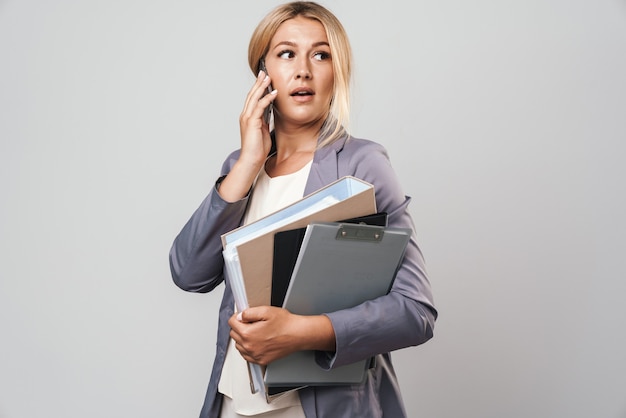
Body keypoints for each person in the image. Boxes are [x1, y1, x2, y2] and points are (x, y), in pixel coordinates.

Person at [169, 2, 437, 417]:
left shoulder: (362, 166)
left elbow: (414, 311)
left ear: (337, 72)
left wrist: (301, 332)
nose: (304, 70)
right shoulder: (240, 168)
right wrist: (246, 165)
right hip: (230, 405)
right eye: (286, 53)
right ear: (264, 74)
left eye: (321, 54)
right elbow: (189, 273)